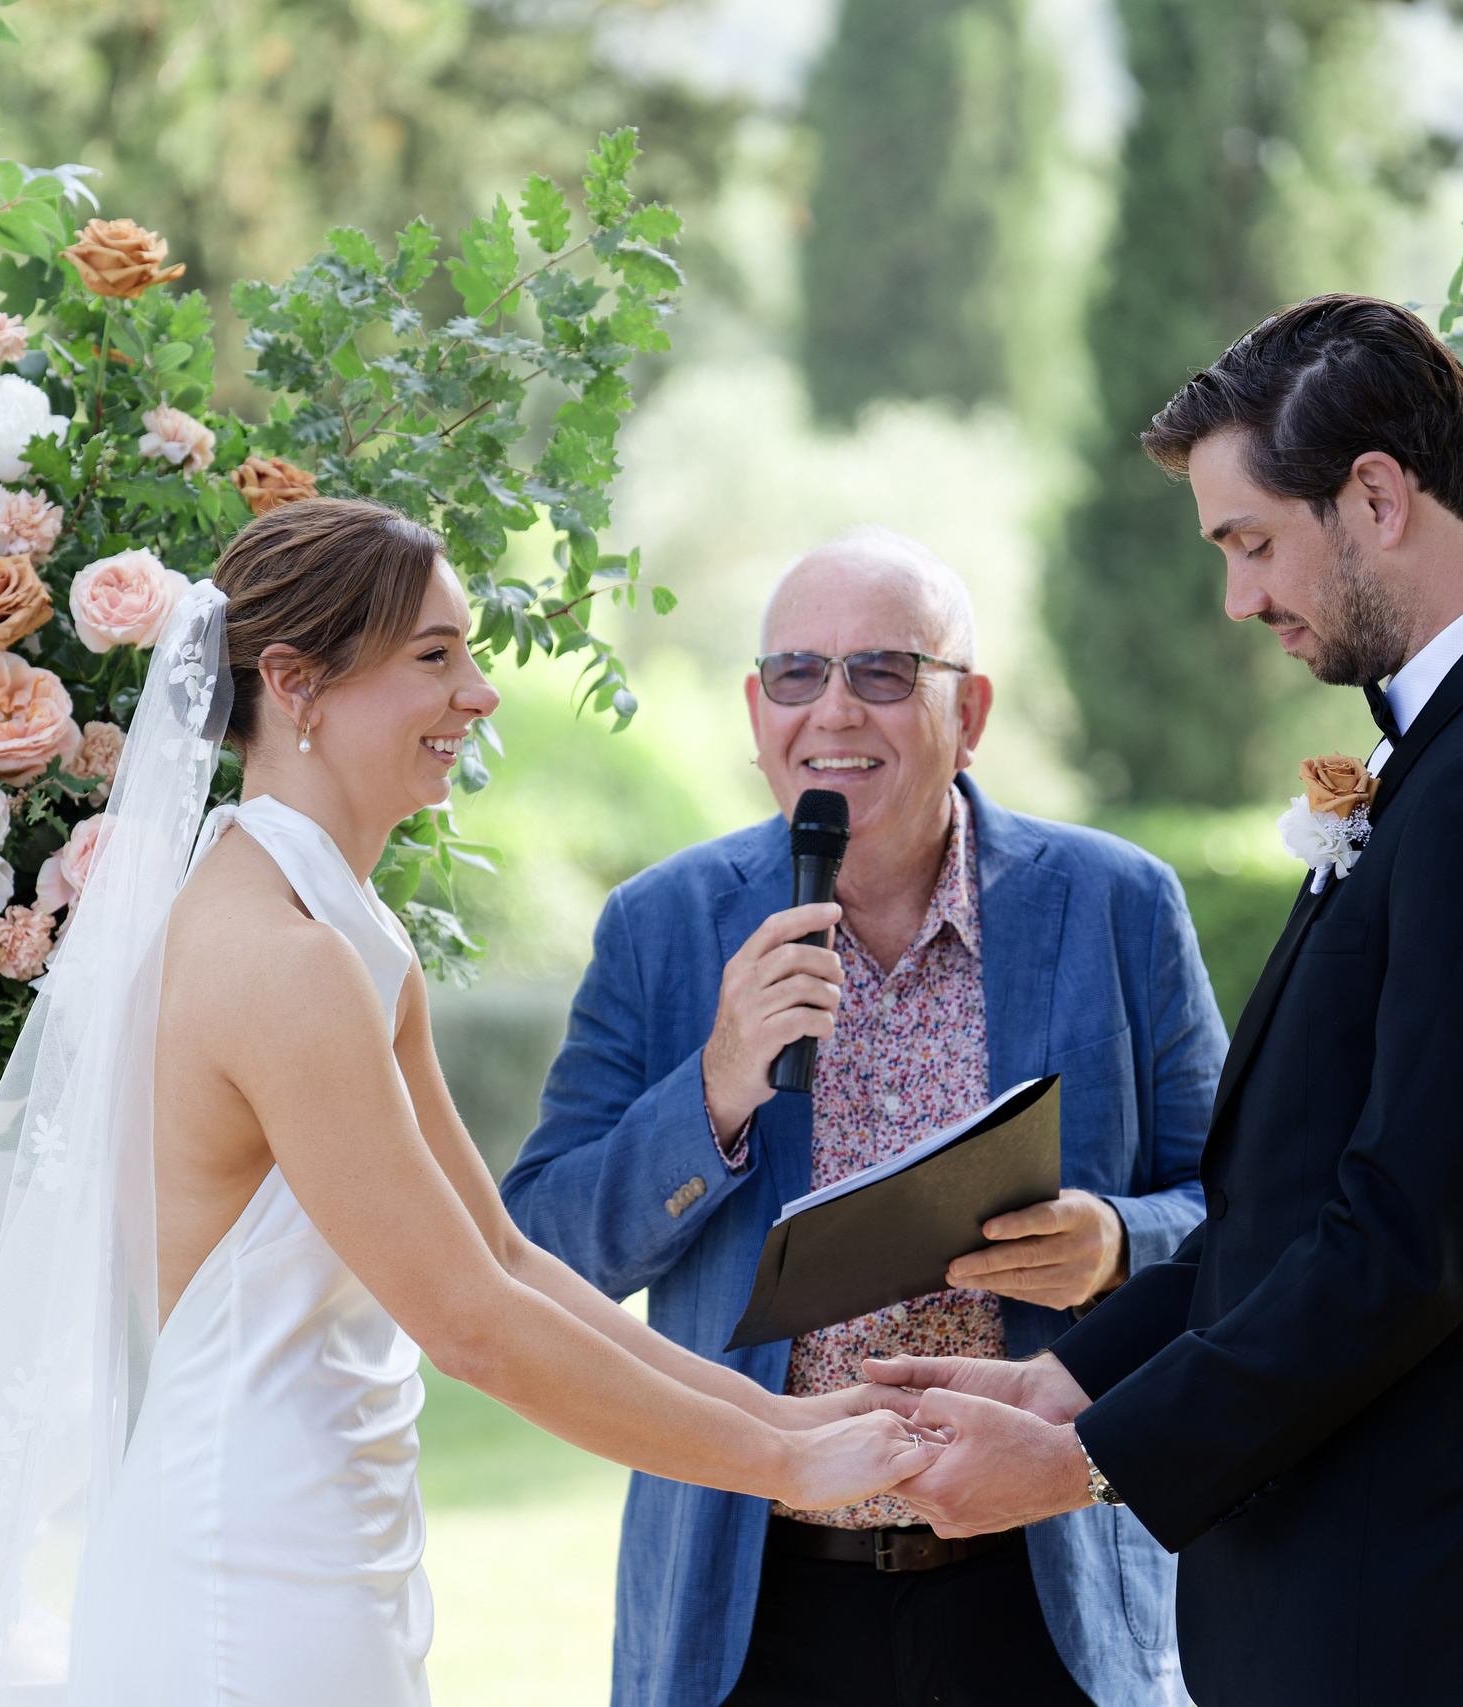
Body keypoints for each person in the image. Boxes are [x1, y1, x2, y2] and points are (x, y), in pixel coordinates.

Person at [0, 499, 941, 1706]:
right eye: (435, 657)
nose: (478, 694)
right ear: (297, 683)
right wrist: (780, 1468)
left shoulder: (349, 933)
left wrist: (788, 1419)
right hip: (248, 1570)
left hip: (330, 1541)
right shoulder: (279, 956)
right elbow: (469, 1323)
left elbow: (505, 1260)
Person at [868, 296, 1463, 1706]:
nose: (1239, 598)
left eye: (1251, 541)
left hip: (1423, 1601)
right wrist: (1071, 1381)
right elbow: (1299, 1199)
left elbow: (1405, 1240)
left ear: (1375, 494)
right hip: (1373, 1579)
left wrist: (1079, 1461)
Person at [502, 527, 1225, 1707]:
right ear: (756, 711)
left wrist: (1114, 1245)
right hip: (755, 1594)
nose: (833, 712)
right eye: (797, 675)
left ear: (970, 709)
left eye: (882, 673)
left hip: (1042, 1590)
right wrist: (717, 1088)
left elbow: (1243, 1209)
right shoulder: (662, 925)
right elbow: (546, 1248)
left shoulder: (1116, 904)